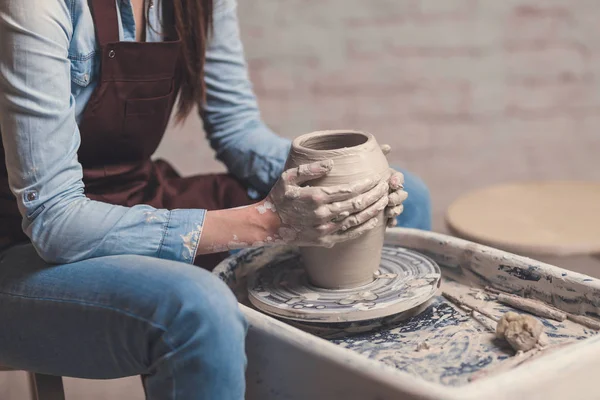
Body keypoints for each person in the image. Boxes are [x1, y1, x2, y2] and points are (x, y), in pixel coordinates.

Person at [0, 0, 432, 398]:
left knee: (398, 201)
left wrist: (338, 183)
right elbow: (54, 221)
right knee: (198, 308)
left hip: (134, 198)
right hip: (22, 242)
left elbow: (235, 128)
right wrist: (266, 222)